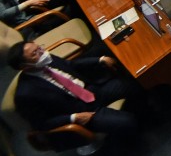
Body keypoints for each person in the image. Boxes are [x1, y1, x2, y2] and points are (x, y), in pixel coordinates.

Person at [8, 41, 138, 145]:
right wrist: (74, 118)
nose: (42, 52)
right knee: (128, 121)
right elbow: (40, 124)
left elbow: (70, 65)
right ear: (24, 66)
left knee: (134, 84)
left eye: (39, 48)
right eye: (35, 53)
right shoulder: (25, 94)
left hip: (91, 90)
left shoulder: (45, 59)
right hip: (82, 111)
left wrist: (99, 60)